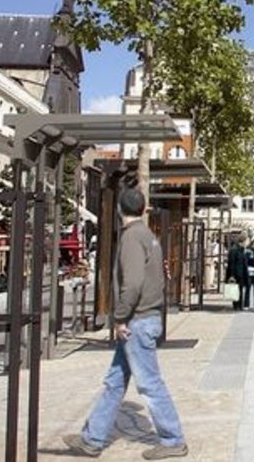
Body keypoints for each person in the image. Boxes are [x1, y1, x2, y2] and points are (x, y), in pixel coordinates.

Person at [63, 189, 188, 460]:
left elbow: (131, 283)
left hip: (136, 321)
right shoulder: (149, 237)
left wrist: (120, 317)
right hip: (146, 317)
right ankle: (92, 439)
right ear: (143, 210)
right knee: (115, 382)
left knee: (149, 384)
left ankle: (173, 438)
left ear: (119, 209)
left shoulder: (131, 238)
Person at [227, 234, 250, 311]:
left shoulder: (242, 250)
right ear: (242, 241)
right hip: (236, 273)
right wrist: (232, 275)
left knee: (240, 290)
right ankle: (236, 306)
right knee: (236, 290)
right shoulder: (234, 250)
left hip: (242, 273)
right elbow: (232, 263)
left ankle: (240, 305)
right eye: (247, 241)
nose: (248, 243)